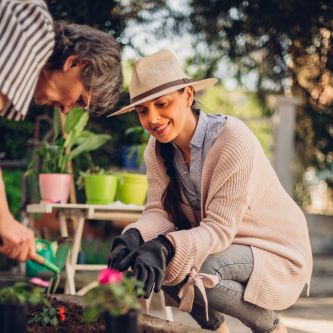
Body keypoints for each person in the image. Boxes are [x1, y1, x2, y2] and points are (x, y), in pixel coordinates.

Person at [107, 49, 313, 333]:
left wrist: (166, 246)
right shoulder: (156, 151)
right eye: (143, 111)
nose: (153, 118)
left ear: (188, 95)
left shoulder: (232, 140)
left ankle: (272, 328)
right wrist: (134, 236)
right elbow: (158, 211)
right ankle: (218, 331)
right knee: (167, 268)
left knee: (199, 271)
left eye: (162, 104)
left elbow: (218, 229)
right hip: (226, 243)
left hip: (274, 247)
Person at [0, 0, 123, 262]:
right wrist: (4, 219)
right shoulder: (31, 31)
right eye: (80, 100)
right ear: (75, 63)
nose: (66, 111)